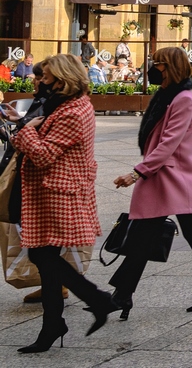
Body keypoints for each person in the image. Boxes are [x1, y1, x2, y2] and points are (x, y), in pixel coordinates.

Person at [5, 53, 118, 352]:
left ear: (62, 78)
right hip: (49, 189)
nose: (40, 80)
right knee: (44, 257)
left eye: (46, 76)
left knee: (43, 256)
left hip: (58, 191)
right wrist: (24, 124)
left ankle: (96, 300)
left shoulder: (73, 112)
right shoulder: (65, 105)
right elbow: (38, 140)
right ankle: (55, 323)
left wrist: (26, 129)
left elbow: (42, 154)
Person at [109, 46, 192, 317]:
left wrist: (136, 173)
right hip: (165, 175)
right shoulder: (167, 95)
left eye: (158, 64)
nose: (153, 68)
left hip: (177, 177)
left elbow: (168, 143)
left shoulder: (184, 99)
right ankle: (122, 294)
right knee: (144, 234)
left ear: (170, 67)